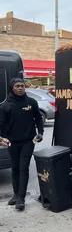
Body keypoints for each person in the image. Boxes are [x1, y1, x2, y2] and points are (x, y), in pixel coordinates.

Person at [0, 78, 44, 211]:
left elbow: (38, 118)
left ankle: (21, 198)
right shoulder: (5, 106)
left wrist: (40, 132)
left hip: (28, 141)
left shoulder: (31, 102)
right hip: (12, 142)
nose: (20, 88)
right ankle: (15, 194)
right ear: (12, 88)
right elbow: (1, 125)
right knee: (15, 168)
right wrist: (1, 138)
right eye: (17, 86)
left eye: (22, 86)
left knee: (23, 167)